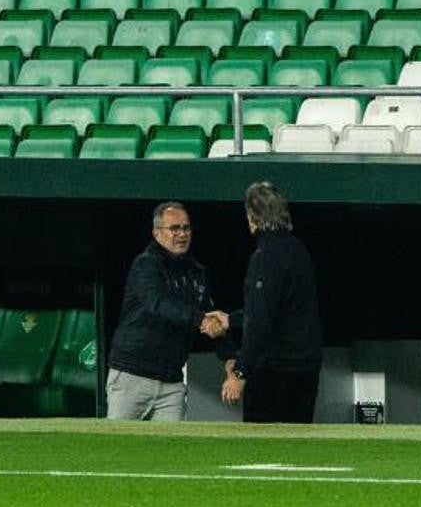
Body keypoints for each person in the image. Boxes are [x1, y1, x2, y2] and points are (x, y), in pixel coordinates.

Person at [211, 181, 322, 424]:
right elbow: (281, 309)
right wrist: (230, 320)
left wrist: (240, 372)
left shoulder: (265, 256)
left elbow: (260, 321)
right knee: (298, 446)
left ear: (252, 216)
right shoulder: (298, 249)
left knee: (262, 449)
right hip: (305, 366)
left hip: (275, 370)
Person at [106, 202, 221, 421]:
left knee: (171, 450)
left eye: (186, 228)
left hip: (172, 382)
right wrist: (200, 320)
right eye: (174, 228)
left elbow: (209, 314)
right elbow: (157, 303)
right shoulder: (145, 265)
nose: (182, 234)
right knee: (117, 447)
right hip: (132, 375)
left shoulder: (196, 272)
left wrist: (229, 357)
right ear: (156, 233)